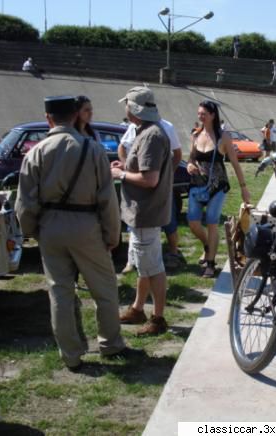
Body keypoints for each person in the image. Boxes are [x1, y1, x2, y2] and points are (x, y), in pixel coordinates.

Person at [15, 96, 132, 371]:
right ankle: (110, 343)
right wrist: (112, 234)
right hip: (87, 223)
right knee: (104, 289)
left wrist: (32, 231)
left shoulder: (36, 152)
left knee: (60, 293)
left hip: (50, 227)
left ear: (48, 119)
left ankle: (70, 354)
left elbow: (25, 201)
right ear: (75, 115)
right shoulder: (92, 149)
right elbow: (107, 198)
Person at [111, 86, 173, 336]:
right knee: (145, 265)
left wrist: (120, 173)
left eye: (127, 104)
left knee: (152, 267)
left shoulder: (151, 136)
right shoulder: (146, 132)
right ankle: (138, 309)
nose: (124, 108)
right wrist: (126, 165)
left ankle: (158, 319)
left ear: (134, 109)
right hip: (143, 214)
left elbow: (150, 180)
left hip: (146, 213)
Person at [187, 100, 251, 278]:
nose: (200, 116)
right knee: (193, 222)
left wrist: (243, 188)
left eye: (204, 114)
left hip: (218, 186)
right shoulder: (195, 135)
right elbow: (192, 158)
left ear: (212, 115)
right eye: (199, 113)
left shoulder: (224, 137)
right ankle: (208, 245)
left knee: (212, 221)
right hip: (198, 184)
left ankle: (211, 263)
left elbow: (235, 163)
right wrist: (189, 166)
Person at [118, 116, 184, 271]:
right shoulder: (135, 127)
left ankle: (173, 253)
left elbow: (177, 154)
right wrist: (126, 166)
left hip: (154, 187)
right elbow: (122, 147)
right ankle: (133, 261)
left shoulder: (162, 129)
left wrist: (165, 175)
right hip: (139, 187)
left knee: (168, 221)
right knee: (138, 234)